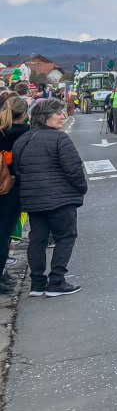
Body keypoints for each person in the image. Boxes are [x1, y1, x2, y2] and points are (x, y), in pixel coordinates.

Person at [11, 98, 87, 297]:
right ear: (45, 118)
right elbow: (74, 169)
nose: (63, 116)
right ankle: (57, 281)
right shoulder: (60, 139)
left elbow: (18, 170)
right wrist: (81, 188)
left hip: (33, 200)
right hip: (60, 199)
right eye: (58, 114)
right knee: (65, 237)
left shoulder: (22, 141)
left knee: (37, 239)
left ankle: (36, 283)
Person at [0, 97, 28, 295]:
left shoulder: (2, 132)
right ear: (25, 114)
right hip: (11, 189)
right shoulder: (26, 134)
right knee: (4, 235)